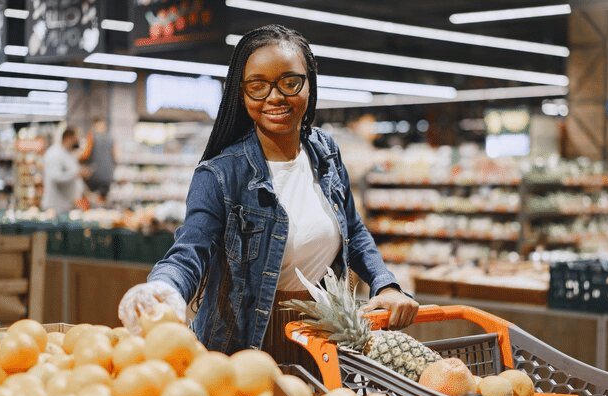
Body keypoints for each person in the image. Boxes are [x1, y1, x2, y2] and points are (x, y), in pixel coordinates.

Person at [118, 24, 419, 364]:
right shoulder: (220, 174)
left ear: (309, 84)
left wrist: (385, 285)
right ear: (242, 93)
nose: (274, 97)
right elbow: (190, 249)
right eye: (258, 86)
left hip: (324, 339)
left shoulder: (326, 153)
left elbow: (354, 230)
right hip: (246, 345)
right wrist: (164, 289)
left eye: (290, 82)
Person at [41, 127, 88, 213]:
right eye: (77, 138)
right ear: (69, 138)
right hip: (55, 207)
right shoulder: (54, 153)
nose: (78, 142)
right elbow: (56, 178)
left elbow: (76, 178)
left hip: (68, 205)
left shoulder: (70, 154)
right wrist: (76, 174)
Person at [79, 117, 117, 200]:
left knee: (92, 199)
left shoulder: (91, 137)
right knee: (104, 199)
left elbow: (85, 155)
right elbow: (115, 156)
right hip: (108, 175)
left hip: (94, 175)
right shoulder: (111, 138)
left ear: (94, 126)